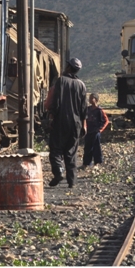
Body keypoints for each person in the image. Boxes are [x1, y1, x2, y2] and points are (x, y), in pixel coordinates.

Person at [44, 57, 87, 188]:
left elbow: (55, 102)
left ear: (68, 67)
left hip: (60, 120)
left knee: (56, 149)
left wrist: (51, 116)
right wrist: (84, 124)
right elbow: (83, 108)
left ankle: (58, 171)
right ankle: (72, 181)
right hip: (76, 123)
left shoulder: (61, 81)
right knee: (71, 152)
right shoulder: (81, 85)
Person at [82, 93, 110, 170]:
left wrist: (100, 130)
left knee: (96, 147)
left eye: (92, 98)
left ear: (96, 100)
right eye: (90, 98)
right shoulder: (87, 109)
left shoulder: (100, 110)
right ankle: (86, 163)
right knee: (87, 147)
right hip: (88, 131)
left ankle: (97, 162)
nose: (90, 100)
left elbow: (106, 120)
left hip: (96, 132)